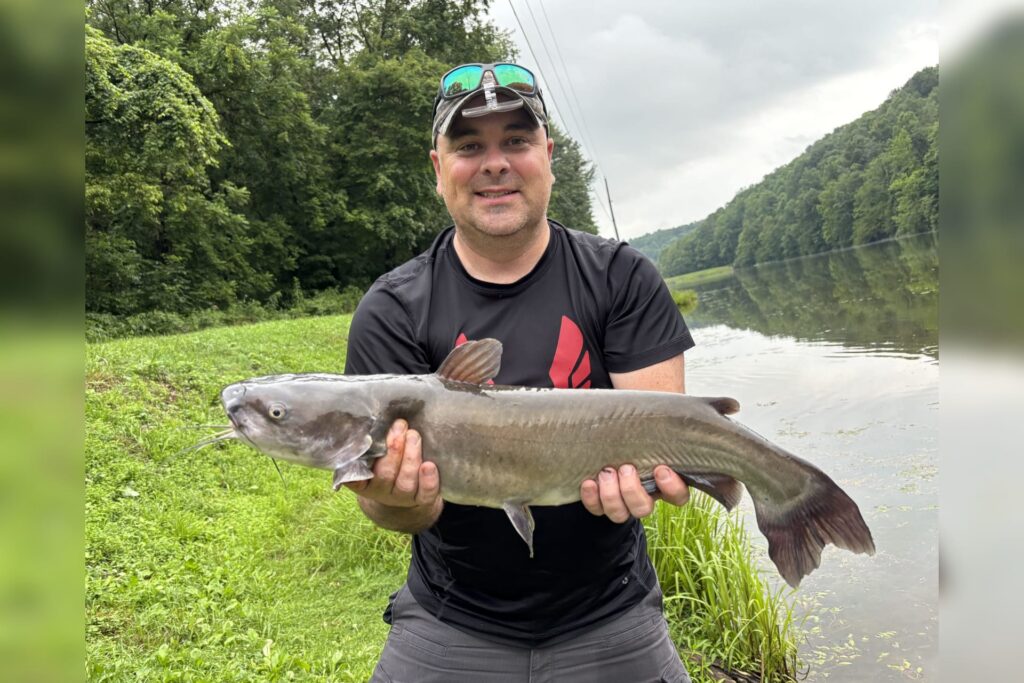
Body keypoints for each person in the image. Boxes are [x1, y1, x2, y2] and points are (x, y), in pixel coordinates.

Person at [344, 61, 696, 682]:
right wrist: (395, 500)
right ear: (438, 169)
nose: (495, 164)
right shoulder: (393, 308)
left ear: (548, 157)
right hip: (451, 618)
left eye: (515, 140)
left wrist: (649, 479)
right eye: (469, 146)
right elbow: (391, 516)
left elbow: (664, 430)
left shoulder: (622, 278)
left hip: (612, 610)